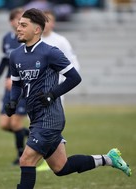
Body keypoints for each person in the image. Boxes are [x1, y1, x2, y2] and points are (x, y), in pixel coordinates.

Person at [4, 8, 131, 189]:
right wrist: (13, 101)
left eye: (24, 25)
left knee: (26, 160)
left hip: (50, 118)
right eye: (18, 25)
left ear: (37, 30)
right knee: (61, 167)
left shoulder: (50, 52)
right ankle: (109, 159)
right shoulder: (15, 54)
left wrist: (52, 94)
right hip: (35, 118)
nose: (19, 28)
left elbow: (75, 77)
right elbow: (16, 84)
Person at [36, 9, 80, 172]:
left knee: (48, 123)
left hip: (55, 92)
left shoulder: (60, 41)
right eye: (44, 20)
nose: (46, 24)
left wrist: (59, 87)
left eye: (49, 20)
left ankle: (39, 157)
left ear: (53, 23)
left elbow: (74, 65)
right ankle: (53, 156)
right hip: (36, 93)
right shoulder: (34, 41)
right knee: (39, 123)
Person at [0, 7, 29, 165]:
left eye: (23, 19)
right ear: (11, 21)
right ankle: (32, 135)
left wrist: (16, 79)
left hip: (22, 87)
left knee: (15, 123)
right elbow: (5, 60)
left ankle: (21, 156)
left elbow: (30, 62)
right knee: (4, 124)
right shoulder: (7, 38)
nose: (20, 22)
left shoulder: (27, 38)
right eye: (18, 19)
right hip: (8, 88)